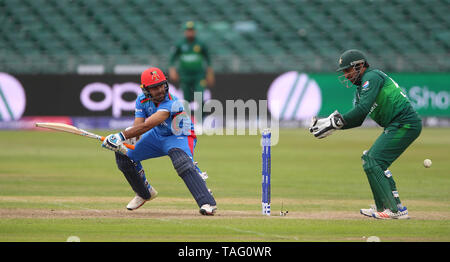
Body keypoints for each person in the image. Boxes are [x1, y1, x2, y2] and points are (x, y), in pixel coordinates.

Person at [309, 49, 422, 219]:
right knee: (370, 159)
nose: (346, 75)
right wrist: (331, 126)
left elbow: (362, 110)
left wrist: (334, 123)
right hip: (396, 124)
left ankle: (395, 211)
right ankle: (385, 207)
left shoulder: (372, 77)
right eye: (344, 71)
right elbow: (358, 119)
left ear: (360, 65)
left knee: (373, 160)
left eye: (348, 70)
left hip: (405, 123)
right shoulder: (360, 90)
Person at [101, 67, 217, 216]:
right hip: (157, 136)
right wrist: (121, 141)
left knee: (181, 162)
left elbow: (148, 125)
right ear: (145, 89)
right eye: (155, 88)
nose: (160, 90)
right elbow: (138, 128)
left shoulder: (172, 102)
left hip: (180, 135)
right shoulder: (141, 100)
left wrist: (121, 135)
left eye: (161, 85)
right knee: (123, 155)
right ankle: (145, 192)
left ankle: (207, 202)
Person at [169, 21, 214, 113]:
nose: (190, 32)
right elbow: (172, 59)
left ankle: (201, 120)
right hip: (185, 76)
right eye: (188, 30)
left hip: (199, 75)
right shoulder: (180, 44)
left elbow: (208, 60)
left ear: (195, 31)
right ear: (185, 32)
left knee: (199, 96)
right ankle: (187, 120)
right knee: (186, 99)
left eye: (191, 30)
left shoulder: (200, 44)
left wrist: (210, 73)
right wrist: (172, 70)